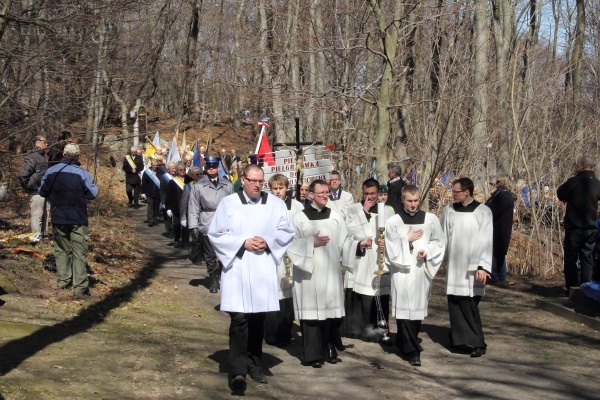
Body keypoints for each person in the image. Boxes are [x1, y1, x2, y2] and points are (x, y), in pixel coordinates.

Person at [208, 164, 294, 393]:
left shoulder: (275, 204)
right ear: (243, 180)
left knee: (257, 320)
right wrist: (242, 243)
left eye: (260, 181)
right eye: (253, 180)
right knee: (239, 320)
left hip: (262, 268)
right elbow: (215, 233)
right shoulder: (229, 203)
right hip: (238, 267)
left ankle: (255, 364)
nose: (257, 185)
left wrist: (267, 241)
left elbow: (287, 231)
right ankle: (237, 371)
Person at [287, 179, 350, 368]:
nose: (325, 196)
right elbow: (289, 245)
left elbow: (345, 241)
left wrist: (357, 247)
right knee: (312, 315)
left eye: (327, 193)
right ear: (311, 195)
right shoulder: (299, 218)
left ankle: (329, 347)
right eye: (320, 193)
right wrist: (310, 242)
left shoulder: (335, 217)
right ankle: (313, 354)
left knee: (331, 313)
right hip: (309, 274)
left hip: (330, 271)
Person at [385, 185, 445, 366]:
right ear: (402, 200)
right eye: (409, 201)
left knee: (417, 311)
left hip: (420, 271)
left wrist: (426, 250)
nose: (413, 204)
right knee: (404, 310)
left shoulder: (431, 219)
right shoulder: (394, 221)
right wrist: (406, 239)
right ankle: (412, 351)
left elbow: (439, 242)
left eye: (416, 200)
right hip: (401, 271)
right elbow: (389, 245)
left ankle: (404, 342)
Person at [440, 177, 492, 357]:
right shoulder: (449, 211)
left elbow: (486, 240)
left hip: (473, 266)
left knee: (470, 303)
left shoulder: (483, 212)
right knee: (455, 301)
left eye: (455, 192)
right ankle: (458, 339)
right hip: (455, 265)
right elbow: (442, 236)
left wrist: (482, 267)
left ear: (466, 192)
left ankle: (478, 342)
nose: (452, 195)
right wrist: (438, 258)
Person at [38, 144, 98, 297]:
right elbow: (92, 193)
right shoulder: (82, 173)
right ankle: (80, 287)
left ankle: (63, 280)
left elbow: (42, 191)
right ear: (78, 156)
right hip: (78, 218)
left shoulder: (52, 172)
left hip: (59, 216)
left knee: (61, 250)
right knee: (79, 252)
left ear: (64, 154)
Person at [344, 178, 394, 341]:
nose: (370, 197)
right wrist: (360, 242)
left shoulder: (387, 211)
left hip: (381, 257)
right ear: (362, 192)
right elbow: (349, 233)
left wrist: (385, 243)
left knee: (381, 294)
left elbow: (394, 234)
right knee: (364, 295)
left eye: (373, 193)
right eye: (367, 193)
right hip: (363, 258)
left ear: (378, 193)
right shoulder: (354, 209)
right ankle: (363, 330)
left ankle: (381, 330)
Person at [264, 173, 304, 347]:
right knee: (273, 291)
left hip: (291, 253)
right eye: (275, 188)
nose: (278, 191)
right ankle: (271, 332)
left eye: (281, 188)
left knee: (288, 294)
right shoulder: (265, 205)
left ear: (286, 188)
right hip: (273, 253)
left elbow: (301, 228)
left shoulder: (296, 206)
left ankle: (285, 331)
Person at [188, 156, 233, 293]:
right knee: (209, 254)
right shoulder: (199, 186)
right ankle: (213, 278)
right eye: (209, 166)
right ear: (206, 168)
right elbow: (193, 207)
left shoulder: (228, 185)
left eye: (214, 166)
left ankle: (221, 275)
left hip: (225, 223)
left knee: (225, 253)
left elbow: (233, 207)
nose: (211, 168)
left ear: (218, 168)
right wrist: (193, 226)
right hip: (207, 221)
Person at [557, 155, 600, 292]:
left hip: (574, 228)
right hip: (591, 227)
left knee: (571, 259)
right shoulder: (597, 183)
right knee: (587, 259)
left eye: (577, 165)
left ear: (581, 165)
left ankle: (572, 288)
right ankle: (585, 289)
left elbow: (560, 194)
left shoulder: (573, 182)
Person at [485, 175, 515, 283]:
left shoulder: (504, 196)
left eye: (498, 182)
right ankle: (500, 276)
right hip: (499, 228)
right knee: (499, 253)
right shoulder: (502, 194)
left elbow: (491, 209)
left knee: (494, 253)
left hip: (498, 229)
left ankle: (495, 277)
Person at [19, 135, 48, 235]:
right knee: (37, 215)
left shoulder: (42, 157)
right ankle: (36, 236)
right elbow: (23, 175)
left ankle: (43, 235)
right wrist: (28, 187)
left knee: (45, 214)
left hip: (44, 191)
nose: (46, 144)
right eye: (44, 142)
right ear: (37, 143)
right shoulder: (32, 157)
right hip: (36, 191)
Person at [180, 166, 203, 253]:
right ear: (193, 176)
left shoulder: (206, 185)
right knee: (195, 237)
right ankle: (196, 256)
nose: (200, 176)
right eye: (198, 174)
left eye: (201, 174)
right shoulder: (188, 187)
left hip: (204, 215)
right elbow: (183, 203)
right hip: (192, 215)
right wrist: (183, 218)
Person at [165, 162, 188, 248]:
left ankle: (185, 242)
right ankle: (177, 239)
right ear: (177, 171)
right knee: (177, 225)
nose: (183, 171)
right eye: (181, 170)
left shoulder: (189, 181)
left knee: (186, 226)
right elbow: (169, 196)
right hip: (176, 207)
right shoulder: (172, 182)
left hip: (187, 207)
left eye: (184, 170)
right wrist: (168, 208)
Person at [141, 159, 162, 227]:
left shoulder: (160, 172)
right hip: (149, 192)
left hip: (158, 193)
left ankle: (155, 219)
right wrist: (143, 192)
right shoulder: (147, 172)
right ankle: (150, 220)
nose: (155, 167)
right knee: (150, 207)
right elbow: (143, 183)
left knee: (156, 207)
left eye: (156, 165)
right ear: (151, 165)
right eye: (153, 165)